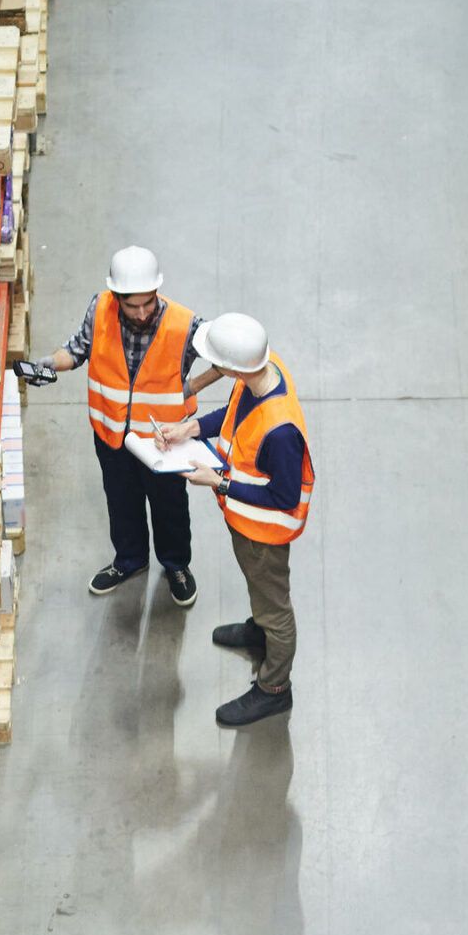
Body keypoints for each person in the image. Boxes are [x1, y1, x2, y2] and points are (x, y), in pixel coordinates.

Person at [16, 246, 220, 604]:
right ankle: (130, 560)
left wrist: (191, 386)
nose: (141, 313)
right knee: (121, 502)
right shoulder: (101, 309)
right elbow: (77, 350)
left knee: (169, 506)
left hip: (163, 441)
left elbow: (228, 355)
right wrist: (50, 363)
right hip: (111, 434)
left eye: (148, 303)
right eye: (132, 305)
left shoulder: (184, 324)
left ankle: (175, 565)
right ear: (117, 296)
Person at [154, 312, 311, 728]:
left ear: (236, 367)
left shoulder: (280, 432)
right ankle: (258, 632)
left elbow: (283, 497)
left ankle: (275, 688)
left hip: (265, 532)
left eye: (216, 364)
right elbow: (234, 412)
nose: (213, 370)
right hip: (246, 525)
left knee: (275, 608)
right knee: (261, 592)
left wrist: (219, 482)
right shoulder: (264, 368)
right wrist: (191, 428)